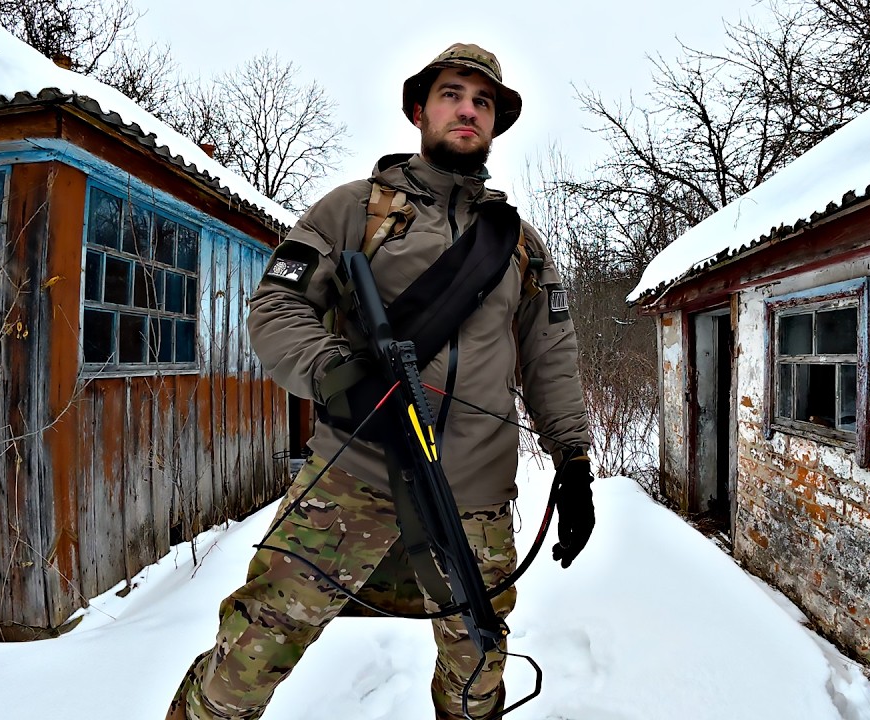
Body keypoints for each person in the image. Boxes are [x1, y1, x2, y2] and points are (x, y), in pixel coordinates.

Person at [166, 43, 594, 720]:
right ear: (420, 110)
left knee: (476, 671)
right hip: (351, 477)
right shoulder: (352, 210)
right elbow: (277, 307)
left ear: (494, 123)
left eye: (483, 101)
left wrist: (572, 459)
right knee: (250, 654)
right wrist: (336, 374)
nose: (468, 110)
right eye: (453, 94)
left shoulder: (518, 245)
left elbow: (551, 356)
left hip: (476, 497)